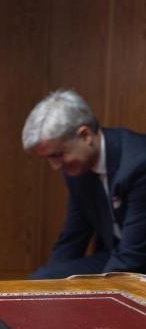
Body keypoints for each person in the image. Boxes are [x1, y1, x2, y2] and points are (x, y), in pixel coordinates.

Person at [22, 90, 146, 279]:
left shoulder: (139, 163)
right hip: (115, 256)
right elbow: (73, 237)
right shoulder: (77, 169)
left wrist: (97, 291)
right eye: (48, 158)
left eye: (58, 155)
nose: (55, 166)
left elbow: (133, 256)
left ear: (85, 135)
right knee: (43, 279)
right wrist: (49, 287)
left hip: (137, 260)